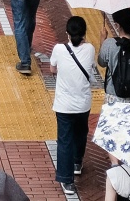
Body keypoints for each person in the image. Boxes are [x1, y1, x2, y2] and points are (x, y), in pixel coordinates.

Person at [52, 15, 98, 200]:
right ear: (85, 34)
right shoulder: (90, 49)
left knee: (64, 140)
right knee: (80, 133)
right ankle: (77, 163)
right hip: (83, 104)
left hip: (64, 105)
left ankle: (66, 179)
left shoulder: (58, 49)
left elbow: (53, 69)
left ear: (67, 34)